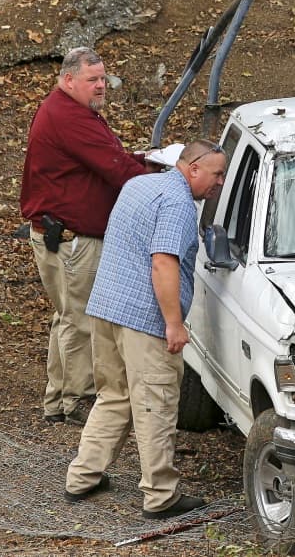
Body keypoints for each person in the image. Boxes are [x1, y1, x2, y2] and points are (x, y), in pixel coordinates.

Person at [64, 140, 226, 519]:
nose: (220, 182)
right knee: (156, 405)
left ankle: (83, 477)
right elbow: (163, 264)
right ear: (193, 168)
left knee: (114, 395)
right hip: (144, 319)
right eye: (217, 174)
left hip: (106, 307)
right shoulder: (179, 206)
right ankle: (160, 496)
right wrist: (174, 323)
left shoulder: (138, 185)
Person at [20, 47, 151, 425]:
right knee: (80, 319)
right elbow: (116, 170)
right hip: (72, 241)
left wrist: (143, 160)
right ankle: (77, 400)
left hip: (59, 236)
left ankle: (57, 400)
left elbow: (108, 159)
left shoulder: (70, 111)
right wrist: (163, 182)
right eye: (92, 79)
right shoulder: (69, 117)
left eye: (102, 78)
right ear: (68, 80)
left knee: (67, 316)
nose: (100, 86)